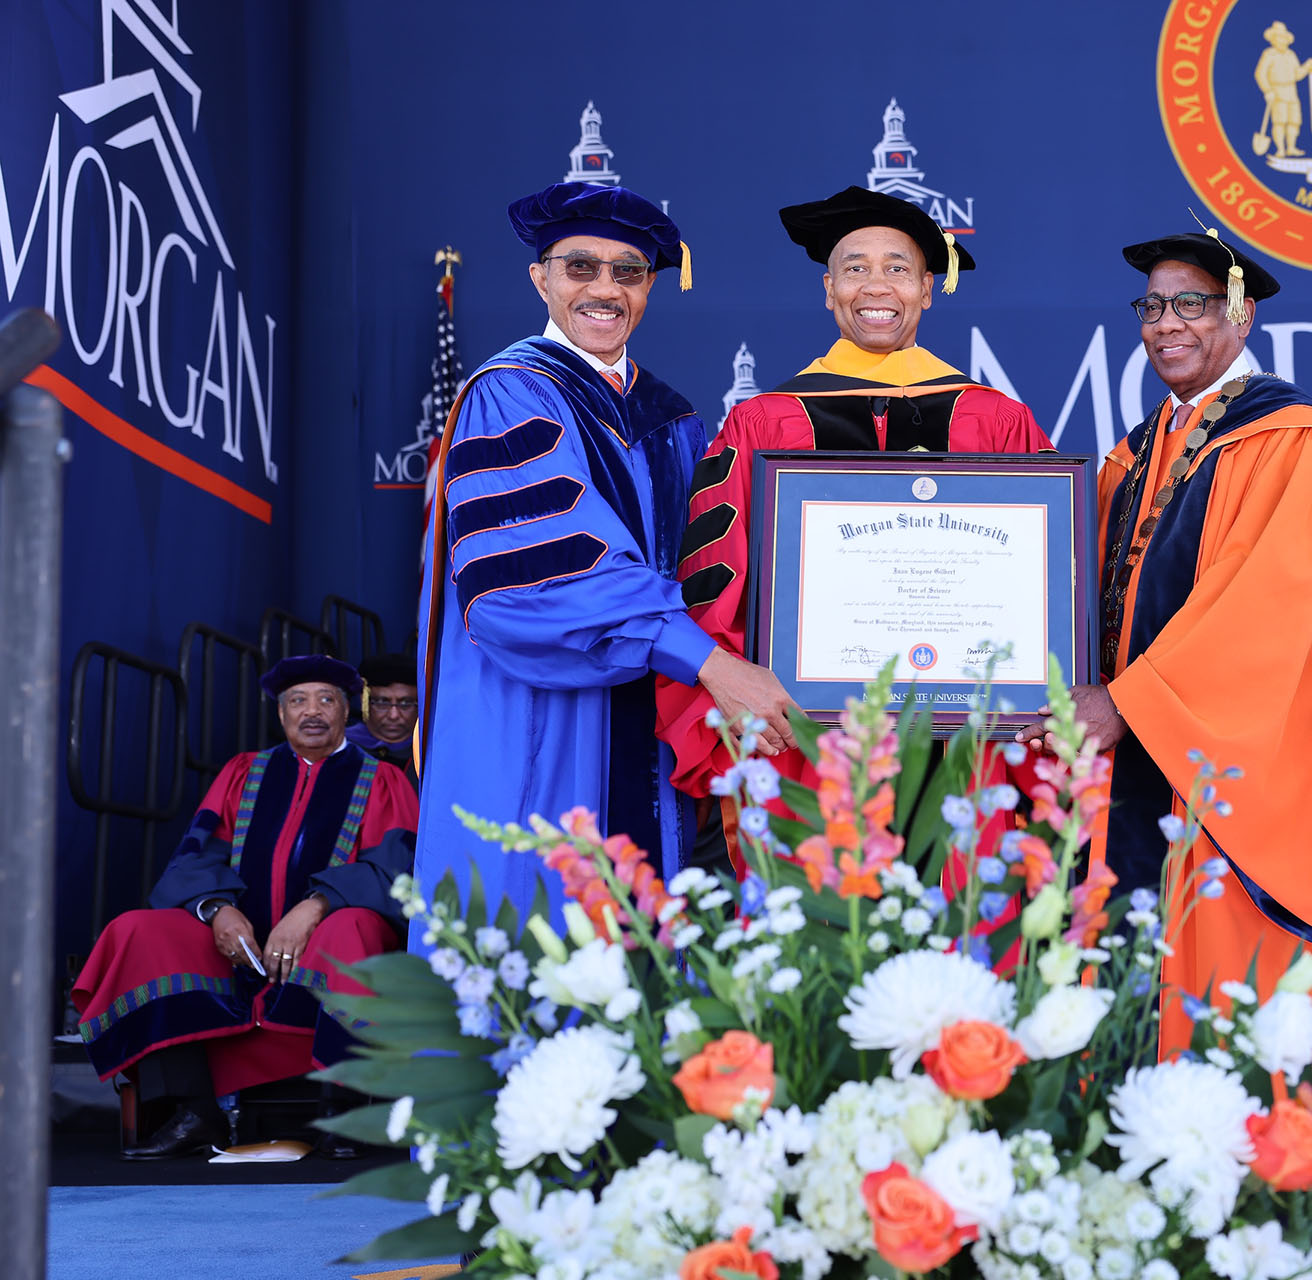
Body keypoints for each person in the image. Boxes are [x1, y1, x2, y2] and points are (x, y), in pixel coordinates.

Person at [1026, 228, 1312, 1050]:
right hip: (1134, 761)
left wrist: (1125, 702)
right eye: (1154, 306)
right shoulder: (1135, 453)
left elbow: (1259, 608)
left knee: (1224, 993)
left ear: (1240, 316)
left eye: (1192, 305)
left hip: (1240, 772)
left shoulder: (1291, 439)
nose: (1167, 323)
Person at [418, 183, 791, 921]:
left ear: (650, 287)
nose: (603, 289)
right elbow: (541, 573)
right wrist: (713, 665)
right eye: (580, 266)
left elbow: (722, 569)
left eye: (627, 272)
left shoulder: (677, 422)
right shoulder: (512, 393)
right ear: (541, 278)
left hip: (651, 721)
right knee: (539, 925)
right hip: (536, 710)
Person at [657, 187, 1052, 833]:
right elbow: (715, 583)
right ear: (829, 288)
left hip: (968, 744)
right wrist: (741, 697)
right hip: (808, 743)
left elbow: (1043, 590)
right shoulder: (763, 423)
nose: (877, 285)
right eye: (855, 267)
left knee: (965, 901)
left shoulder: (998, 420)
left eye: (898, 268)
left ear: (928, 288)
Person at [70, 656, 416, 1159]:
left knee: (354, 927)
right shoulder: (244, 774)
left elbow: (395, 868)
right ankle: (195, 1109)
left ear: (347, 713)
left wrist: (315, 907)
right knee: (140, 931)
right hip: (243, 947)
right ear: (282, 716)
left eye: (326, 700)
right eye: (298, 701)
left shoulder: (380, 780)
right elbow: (196, 853)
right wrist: (217, 911)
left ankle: (345, 1109)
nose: (311, 712)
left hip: (323, 943)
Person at [346, 651, 418, 784]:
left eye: (405, 703)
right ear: (364, 701)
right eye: (382, 702)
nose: (394, 715)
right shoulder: (344, 747)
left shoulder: (427, 753)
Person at [1254, 22, 1312, 158]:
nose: (1281, 40)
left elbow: (1297, 74)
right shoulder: (1269, 54)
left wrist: (1307, 67)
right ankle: (1280, 149)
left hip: (1291, 91)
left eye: (1283, 38)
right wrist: (1267, 90)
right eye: (1278, 38)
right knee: (1279, 122)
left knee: (1294, 121)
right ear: (1273, 40)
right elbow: (1260, 73)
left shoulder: (1291, 55)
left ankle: (1291, 147)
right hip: (1277, 91)